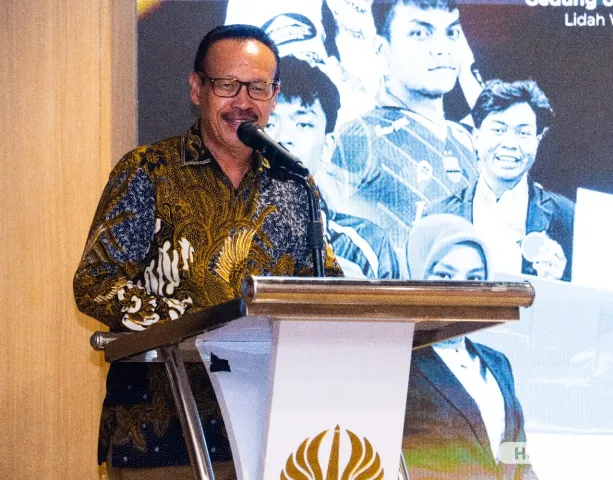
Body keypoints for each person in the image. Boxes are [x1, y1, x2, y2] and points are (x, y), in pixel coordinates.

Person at [73, 24, 343, 479]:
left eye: (258, 87)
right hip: (162, 434)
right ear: (197, 88)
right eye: (227, 85)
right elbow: (95, 282)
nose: (243, 101)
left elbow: (324, 285)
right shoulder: (149, 171)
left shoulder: (295, 184)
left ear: (274, 96)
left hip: (275, 433)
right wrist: (197, 325)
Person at [321, 0, 481, 272]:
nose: (442, 48)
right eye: (420, 33)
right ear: (382, 50)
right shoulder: (361, 135)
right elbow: (317, 226)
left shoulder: (467, 140)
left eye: (451, 32)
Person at [403, 213, 537, 479]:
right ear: (416, 274)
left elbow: (516, 455)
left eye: (474, 278)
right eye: (444, 275)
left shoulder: (498, 363)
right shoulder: (399, 363)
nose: (461, 289)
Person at [265, 54, 400, 278]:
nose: (284, 138)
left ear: (328, 146)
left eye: (303, 124)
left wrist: (360, 295)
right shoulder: (220, 233)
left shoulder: (369, 245)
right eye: (269, 123)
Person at [427, 79, 575, 281]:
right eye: (498, 130)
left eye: (523, 133)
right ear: (476, 137)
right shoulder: (438, 216)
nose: (510, 143)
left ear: (537, 141)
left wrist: (559, 281)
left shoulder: (567, 217)